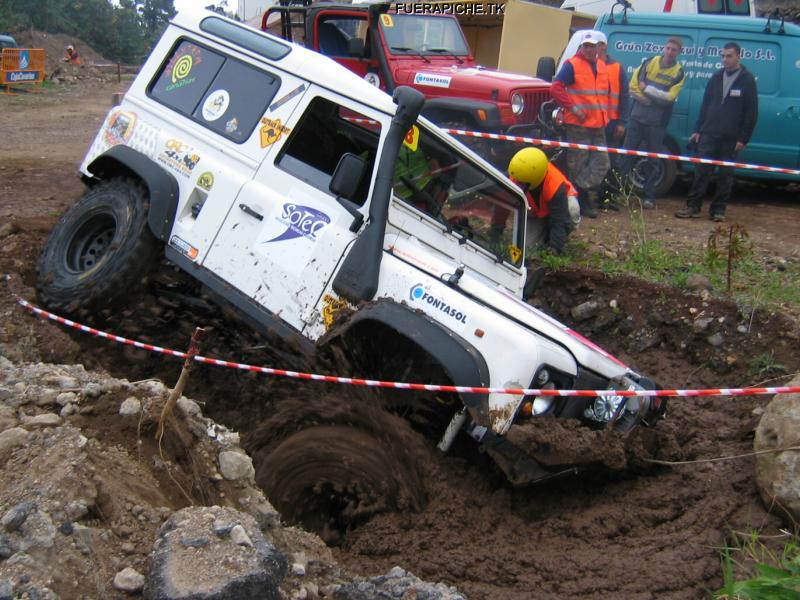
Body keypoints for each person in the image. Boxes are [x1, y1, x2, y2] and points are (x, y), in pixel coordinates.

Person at [676, 42, 758, 222]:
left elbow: (751, 112)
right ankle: (693, 206)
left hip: (731, 137)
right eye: (723, 56)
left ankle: (718, 210)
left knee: (725, 176)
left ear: (738, 57)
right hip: (709, 134)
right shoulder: (716, 77)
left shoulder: (747, 80)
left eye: (729, 56)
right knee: (701, 172)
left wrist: (743, 139)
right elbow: (706, 105)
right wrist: (698, 130)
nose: (725, 60)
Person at [550, 30, 611, 219]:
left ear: (599, 48)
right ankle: (582, 202)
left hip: (598, 122)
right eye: (586, 46)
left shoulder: (601, 65)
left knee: (602, 162)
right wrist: (574, 109)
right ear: (581, 47)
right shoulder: (572, 65)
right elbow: (556, 87)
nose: (589, 49)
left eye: (592, 46)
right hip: (578, 124)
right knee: (578, 163)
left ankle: (573, 191)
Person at [620, 37, 685, 209]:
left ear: (679, 52)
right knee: (627, 155)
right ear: (664, 48)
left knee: (653, 160)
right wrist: (648, 99)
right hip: (637, 118)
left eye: (674, 50)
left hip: (657, 123)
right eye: (668, 48)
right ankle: (617, 192)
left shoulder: (678, 72)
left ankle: (649, 196)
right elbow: (633, 86)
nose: (670, 52)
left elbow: (669, 98)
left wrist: (647, 89)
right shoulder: (649, 62)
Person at [508, 147, 580, 255]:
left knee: (572, 209)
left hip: (560, 206)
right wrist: (496, 231)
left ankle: (556, 237)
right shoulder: (515, 177)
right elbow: (502, 205)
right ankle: (544, 232)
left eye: (522, 183)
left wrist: (555, 250)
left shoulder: (555, 186)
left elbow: (559, 220)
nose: (518, 184)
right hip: (535, 211)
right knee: (527, 250)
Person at [597, 33, 629, 210]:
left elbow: (625, 96)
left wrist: (622, 122)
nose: (598, 47)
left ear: (605, 46)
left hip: (611, 124)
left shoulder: (617, 68)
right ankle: (593, 197)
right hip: (593, 123)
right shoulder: (589, 66)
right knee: (593, 161)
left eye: (601, 44)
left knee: (612, 162)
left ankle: (608, 197)